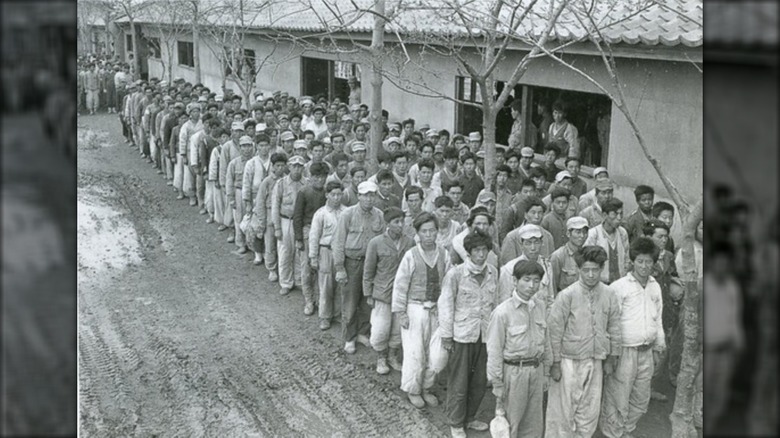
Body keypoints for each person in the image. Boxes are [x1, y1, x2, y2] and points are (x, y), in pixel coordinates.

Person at [546, 246, 621, 437]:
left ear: (601, 269)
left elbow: (614, 326)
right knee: (563, 411)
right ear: (579, 269)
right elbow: (554, 332)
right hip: (568, 361)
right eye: (586, 270)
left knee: (589, 410)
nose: (590, 275)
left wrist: (612, 357)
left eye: (595, 270)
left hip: (596, 359)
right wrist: (554, 363)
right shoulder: (566, 295)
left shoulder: (609, 293)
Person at [600, 237, 665, 438]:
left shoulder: (655, 286)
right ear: (633, 261)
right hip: (624, 351)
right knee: (618, 396)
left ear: (654, 264)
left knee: (640, 398)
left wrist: (658, 346)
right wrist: (612, 354)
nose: (645, 266)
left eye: (649, 262)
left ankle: (626, 430)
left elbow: (658, 319)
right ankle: (613, 433)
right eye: (640, 261)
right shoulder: (619, 287)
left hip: (646, 351)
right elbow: (610, 323)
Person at [438, 230, 499, 437]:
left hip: (485, 335)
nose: (481, 255)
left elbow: (496, 304)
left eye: (484, 250)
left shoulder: (493, 272)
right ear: (469, 252)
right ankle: (456, 422)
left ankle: (470, 417)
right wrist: (447, 336)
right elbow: (446, 306)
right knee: (459, 381)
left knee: (479, 381)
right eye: (476, 250)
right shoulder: (455, 274)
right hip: (462, 335)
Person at [486, 259, 552, 438]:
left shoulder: (540, 306)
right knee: (511, 424)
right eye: (527, 279)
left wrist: (546, 372)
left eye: (537, 281)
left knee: (534, 424)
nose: (532, 285)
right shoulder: (502, 313)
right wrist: (497, 383)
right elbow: (494, 351)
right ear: (515, 281)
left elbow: (546, 341)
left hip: (536, 371)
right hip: (513, 373)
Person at [392, 212, 450, 409]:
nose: (429, 235)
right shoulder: (411, 255)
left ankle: (427, 387)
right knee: (415, 353)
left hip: (437, 310)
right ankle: (414, 390)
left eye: (432, 231)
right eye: (424, 231)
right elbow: (400, 285)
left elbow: (449, 283)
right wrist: (401, 313)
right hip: (415, 308)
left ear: (437, 232)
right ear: (417, 233)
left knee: (436, 355)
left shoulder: (444, 253)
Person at [332, 181, 386, 354]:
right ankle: (349, 337)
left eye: (372, 195)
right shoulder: (347, 214)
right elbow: (339, 242)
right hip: (352, 262)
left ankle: (362, 332)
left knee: (366, 301)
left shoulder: (379, 215)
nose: (370, 199)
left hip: (371, 265)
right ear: (359, 196)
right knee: (350, 301)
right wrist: (340, 267)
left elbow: (383, 241)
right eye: (366, 195)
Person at [364, 207, 415, 375]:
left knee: (397, 328)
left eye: (402, 221)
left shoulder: (409, 242)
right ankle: (381, 357)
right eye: (396, 222)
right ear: (388, 224)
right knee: (380, 328)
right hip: (382, 293)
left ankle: (393, 356)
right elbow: (369, 270)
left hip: (402, 294)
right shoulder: (376, 243)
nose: (401, 225)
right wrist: (368, 293)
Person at [704, 241, 744, 434]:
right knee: (706, 391)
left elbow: (734, 316)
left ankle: (711, 426)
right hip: (708, 351)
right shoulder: (705, 285)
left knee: (721, 394)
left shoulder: (732, 287)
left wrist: (738, 344)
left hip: (726, 349)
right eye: (718, 263)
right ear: (712, 263)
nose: (722, 267)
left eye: (725, 263)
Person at [309, 181, 346, 330]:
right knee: (326, 284)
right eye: (333, 195)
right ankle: (324, 316)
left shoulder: (347, 211)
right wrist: (313, 256)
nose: (336, 198)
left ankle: (337, 313)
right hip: (326, 251)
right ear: (327, 195)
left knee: (341, 285)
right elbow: (314, 236)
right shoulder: (321, 213)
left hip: (342, 252)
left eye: (339, 194)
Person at [293, 162, 328, 315]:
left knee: (321, 267)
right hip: (307, 230)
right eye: (317, 177)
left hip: (324, 232)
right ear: (311, 177)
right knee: (307, 268)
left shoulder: (327, 192)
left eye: (323, 177)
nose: (320, 180)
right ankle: (308, 300)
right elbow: (297, 217)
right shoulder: (304, 192)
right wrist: (299, 238)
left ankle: (321, 299)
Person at [272, 155, 307, 295]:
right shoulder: (281, 184)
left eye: (300, 166)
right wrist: (277, 228)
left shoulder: (307, 184)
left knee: (300, 253)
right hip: (285, 220)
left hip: (301, 222)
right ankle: (286, 282)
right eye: (294, 166)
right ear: (289, 167)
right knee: (285, 252)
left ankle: (299, 280)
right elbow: (275, 206)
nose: (297, 169)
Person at [497, 224, 554, 306]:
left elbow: (550, 298)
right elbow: (503, 300)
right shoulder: (509, 268)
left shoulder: (546, 265)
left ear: (542, 243)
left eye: (536, 242)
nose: (533, 247)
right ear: (521, 245)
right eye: (528, 243)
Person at [255, 152, 287, 283]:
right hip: (269, 215)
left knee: (283, 244)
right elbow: (260, 202)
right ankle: (272, 268)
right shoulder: (267, 182)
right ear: (272, 166)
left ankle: (283, 268)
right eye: (277, 165)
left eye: (282, 165)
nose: (280, 168)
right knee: (270, 244)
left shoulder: (287, 180)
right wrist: (262, 222)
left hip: (282, 215)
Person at [584, 198, 630, 284]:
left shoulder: (622, 233)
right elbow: (587, 262)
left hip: (620, 282)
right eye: (615, 214)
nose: (619, 218)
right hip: (600, 283)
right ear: (605, 215)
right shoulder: (593, 234)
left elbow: (627, 258)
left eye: (621, 214)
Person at [500, 197, 555, 265]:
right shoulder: (512, 237)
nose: (537, 216)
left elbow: (550, 262)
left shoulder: (547, 236)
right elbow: (508, 263)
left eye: (540, 213)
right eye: (533, 213)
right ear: (525, 215)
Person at [225, 135, 255, 254]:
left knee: (252, 219)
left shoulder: (255, 162)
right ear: (240, 147)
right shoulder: (234, 163)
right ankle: (241, 243)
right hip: (239, 192)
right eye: (244, 146)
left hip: (253, 193)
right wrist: (231, 199)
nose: (247, 149)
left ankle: (252, 244)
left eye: (249, 146)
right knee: (239, 219)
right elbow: (229, 182)